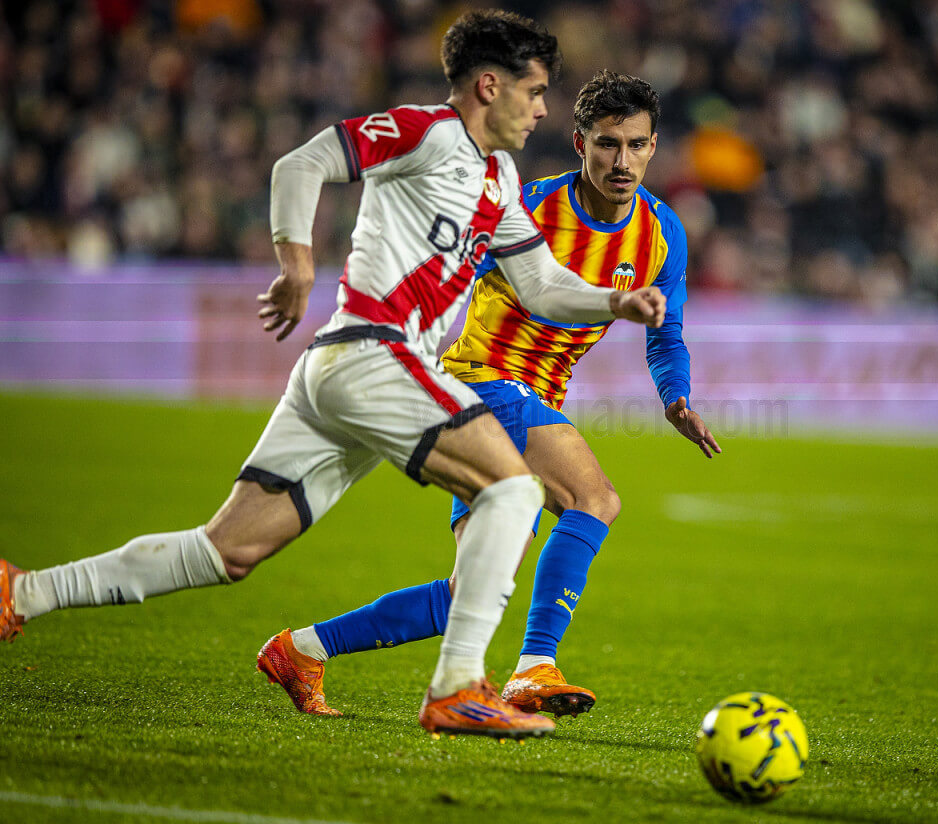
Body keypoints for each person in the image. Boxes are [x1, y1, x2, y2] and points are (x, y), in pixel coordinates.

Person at [0, 11, 668, 741]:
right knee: (512, 490)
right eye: (534, 92)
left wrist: (616, 302)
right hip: (374, 353)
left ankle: (23, 591)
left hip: (344, 371)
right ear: (489, 85)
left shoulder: (499, 178)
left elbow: (540, 284)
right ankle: (458, 687)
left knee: (227, 551)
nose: (541, 110)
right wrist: (296, 263)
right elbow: (301, 164)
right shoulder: (424, 132)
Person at [254, 70, 720, 720]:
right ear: (580, 143)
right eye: (608, 144)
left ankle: (302, 649)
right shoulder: (525, 208)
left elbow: (666, 334)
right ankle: (534, 667)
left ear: (653, 146)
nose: (622, 161)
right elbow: (441, 270)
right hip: (481, 379)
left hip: (534, 398)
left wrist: (676, 397)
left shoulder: (663, 233)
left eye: (636, 145)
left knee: (470, 591)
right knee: (594, 499)